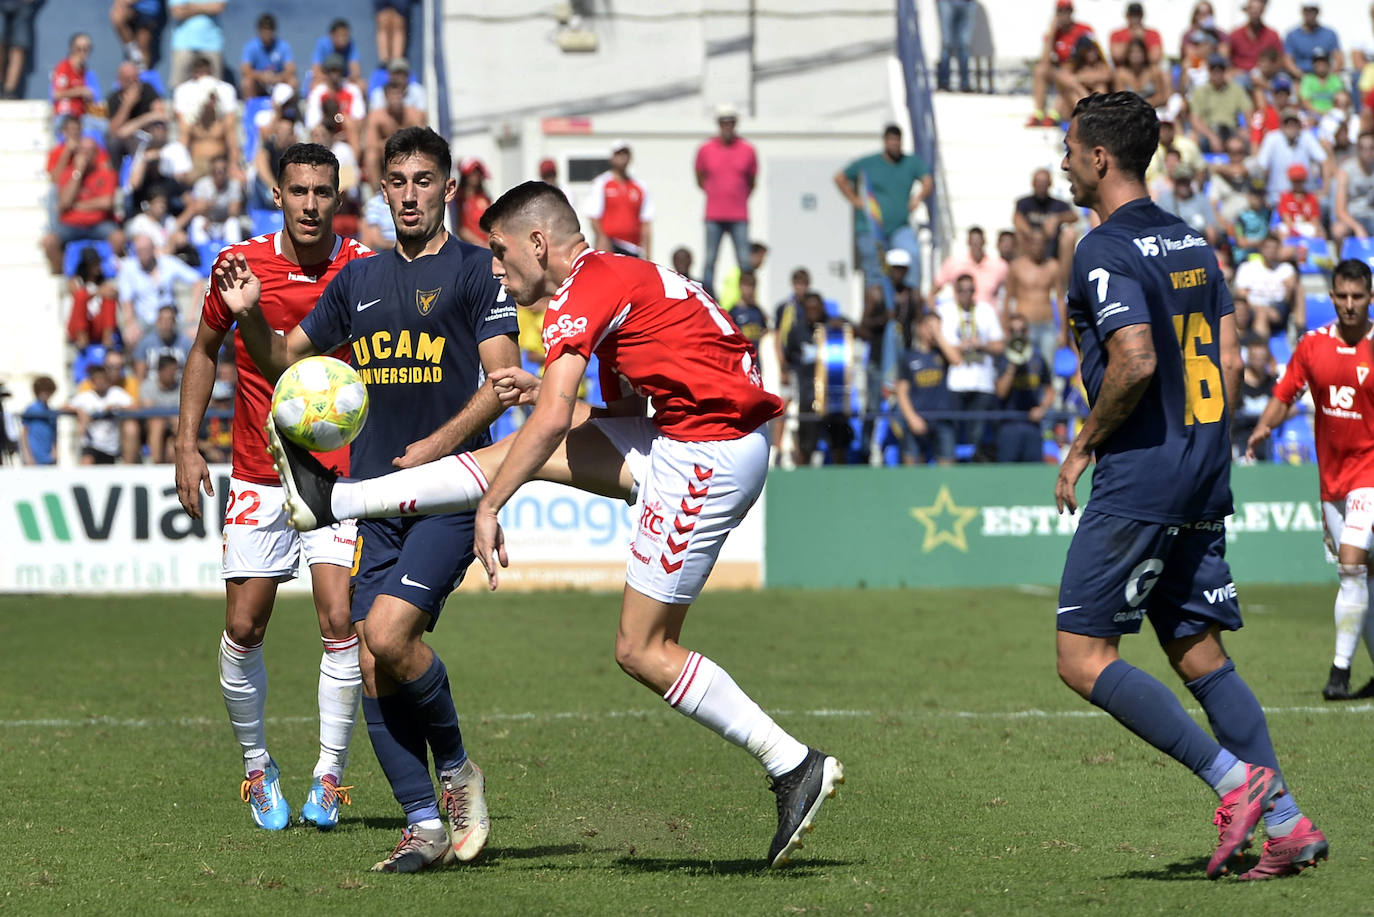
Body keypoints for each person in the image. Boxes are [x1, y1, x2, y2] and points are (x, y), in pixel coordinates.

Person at [263, 179, 846, 868]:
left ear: (541, 243)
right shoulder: (622, 270)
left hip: (708, 452)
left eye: (504, 256)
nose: (499, 273)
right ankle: (336, 500)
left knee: (643, 648)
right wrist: (547, 398)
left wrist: (490, 504)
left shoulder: (584, 287)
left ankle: (792, 762)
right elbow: (608, 404)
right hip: (685, 435)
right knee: (519, 447)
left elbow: (555, 419)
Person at [211, 127, 519, 872]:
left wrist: (440, 448)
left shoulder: (480, 273)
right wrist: (251, 311)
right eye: (399, 181)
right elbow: (284, 357)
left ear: (448, 189)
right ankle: (422, 821)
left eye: (424, 180)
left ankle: (456, 771)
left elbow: (505, 380)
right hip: (373, 503)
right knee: (370, 657)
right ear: (382, 191)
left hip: (445, 492)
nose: (410, 193)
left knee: (383, 634)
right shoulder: (359, 281)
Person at [1055, 89, 1327, 881]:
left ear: (1100, 158)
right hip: (1206, 467)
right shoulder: (1197, 243)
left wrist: (1081, 445)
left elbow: (1135, 358)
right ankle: (1288, 824)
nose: (1064, 162)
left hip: (1143, 475)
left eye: (1070, 149)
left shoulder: (1100, 248)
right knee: (1197, 649)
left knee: (1081, 655)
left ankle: (1237, 783)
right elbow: (1234, 363)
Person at [176, 142, 372, 832]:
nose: (311, 204)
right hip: (260, 472)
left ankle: (328, 777)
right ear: (279, 195)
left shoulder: (363, 270)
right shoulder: (240, 266)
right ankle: (258, 766)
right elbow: (204, 350)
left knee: (340, 621)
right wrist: (185, 443)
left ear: (339, 196)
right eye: (299, 191)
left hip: (342, 476)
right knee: (242, 626)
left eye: (323, 191)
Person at [1246, 259, 1374, 701]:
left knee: (1352, 563)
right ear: (1333, 297)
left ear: (1370, 298)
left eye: (1358, 296)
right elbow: (1285, 395)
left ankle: (1338, 673)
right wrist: (1264, 426)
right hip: (1331, 479)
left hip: (1369, 474)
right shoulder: (1312, 345)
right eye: (1342, 296)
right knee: (1359, 578)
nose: (1350, 304)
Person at [835, 124, 931, 290]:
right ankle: (878, 310)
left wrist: (918, 197)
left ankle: (910, 301)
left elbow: (928, 181)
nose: (894, 144)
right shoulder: (869, 163)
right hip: (871, 227)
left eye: (897, 140)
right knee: (875, 270)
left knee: (912, 255)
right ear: (885, 142)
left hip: (899, 226)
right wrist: (856, 200)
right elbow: (840, 178)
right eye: (891, 140)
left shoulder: (910, 162)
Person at [695, 103, 758, 297]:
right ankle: (707, 298)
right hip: (714, 214)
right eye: (724, 122)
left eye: (730, 122)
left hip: (739, 214)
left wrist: (737, 196)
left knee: (744, 262)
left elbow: (751, 181)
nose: (727, 126)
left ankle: (748, 300)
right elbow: (700, 177)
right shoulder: (706, 149)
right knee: (710, 260)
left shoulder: (747, 150)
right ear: (719, 124)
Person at [938, 272, 1002, 459]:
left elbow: (1000, 345)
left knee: (978, 435)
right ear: (955, 292)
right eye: (961, 290)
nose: (966, 294)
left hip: (982, 382)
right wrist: (961, 346)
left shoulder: (986, 310)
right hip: (956, 382)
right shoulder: (946, 311)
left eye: (970, 290)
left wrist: (981, 344)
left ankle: (974, 468)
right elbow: (941, 344)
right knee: (954, 432)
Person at [41, 137, 125, 276]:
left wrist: (78, 206)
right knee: (49, 242)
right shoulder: (67, 173)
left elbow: (107, 203)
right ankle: (62, 276)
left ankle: (109, 274)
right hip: (70, 225)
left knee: (119, 238)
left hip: (99, 224)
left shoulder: (107, 174)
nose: (85, 155)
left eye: (89, 151)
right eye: (82, 151)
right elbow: (64, 203)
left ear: (96, 154)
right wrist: (78, 172)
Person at [895, 311, 958, 465]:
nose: (933, 331)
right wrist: (912, 418)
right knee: (913, 468)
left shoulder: (942, 354)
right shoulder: (909, 357)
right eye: (930, 327)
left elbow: (957, 360)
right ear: (921, 327)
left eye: (938, 327)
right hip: (918, 418)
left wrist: (938, 335)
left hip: (942, 419)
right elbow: (902, 392)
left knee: (948, 469)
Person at [117, 233, 203, 345]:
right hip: (146, 320)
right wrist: (130, 323)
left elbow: (197, 280)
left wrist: (192, 313)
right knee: (130, 336)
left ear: (153, 249)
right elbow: (126, 300)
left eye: (145, 250)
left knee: (195, 334)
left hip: (171, 318)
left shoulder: (167, 262)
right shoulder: (129, 268)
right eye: (139, 251)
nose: (142, 254)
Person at [993, 313, 1054, 462]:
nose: (1018, 334)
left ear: (1027, 332)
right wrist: (1012, 364)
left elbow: (1049, 389)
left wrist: (1042, 408)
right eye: (1013, 331)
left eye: (1022, 330)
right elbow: (1000, 393)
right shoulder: (1001, 359)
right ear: (1008, 333)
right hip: (1008, 426)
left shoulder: (1038, 359)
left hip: (1032, 425)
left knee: (1033, 476)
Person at [1027, 0, 1095, 127]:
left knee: (1065, 74)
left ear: (1072, 12)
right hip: (1061, 71)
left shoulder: (1084, 29)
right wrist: (1052, 33)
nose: (1064, 14)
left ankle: (1054, 114)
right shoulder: (1055, 33)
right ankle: (1038, 113)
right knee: (1040, 70)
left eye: (1067, 11)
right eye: (1061, 11)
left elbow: (1092, 54)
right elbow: (1044, 60)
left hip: (1078, 70)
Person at [585, 139, 653, 258]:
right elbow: (593, 216)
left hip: (633, 247)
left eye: (625, 154)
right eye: (618, 154)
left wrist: (648, 255)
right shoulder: (602, 183)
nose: (622, 157)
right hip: (611, 245)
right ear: (612, 158)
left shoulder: (639, 186)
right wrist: (603, 239)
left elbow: (646, 222)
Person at [1005, 225, 1062, 363]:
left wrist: (1062, 331)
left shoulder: (1053, 266)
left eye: (1042, 243)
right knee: (1022, 366)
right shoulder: (1017, 266)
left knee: (1049, 369)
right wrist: (1006, 327)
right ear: (1028, 244)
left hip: (1047, 325)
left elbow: (1060, 299)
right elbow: (1008, 298)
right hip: (1023, 326)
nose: (1038, 247)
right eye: (1035, 243)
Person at [1233, 233, 1298, 337]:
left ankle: (1259, 345)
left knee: (1262, 312)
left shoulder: (1286, 269)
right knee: (1252, 311)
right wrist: (1255, 306)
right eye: (1268, 247)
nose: (1271, 251)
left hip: (1276, 306)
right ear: (1261, 249)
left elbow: (1287, 296)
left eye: (1274, 248)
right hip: (1251, 306)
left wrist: (1288, 286)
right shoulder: (1247, 267)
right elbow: (1241, 293)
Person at [105, 60, 166, 170]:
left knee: (159, 132)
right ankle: (116, 180)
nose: (133, 82)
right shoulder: (113, 99)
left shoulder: (147, 89)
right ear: (120, 80)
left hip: (148, 136)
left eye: (135, 78)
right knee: (113, 143)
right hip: (127, 142)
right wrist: (127, 105)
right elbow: (115, 132)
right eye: (128, 79)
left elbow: (160, 113)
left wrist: (133, 125)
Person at [70, 363, 133, 464]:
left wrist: (116, 406)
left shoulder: (116, 393)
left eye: (102, 379)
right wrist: (79, 410)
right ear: (92, 381)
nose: (100, 382)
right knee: (87, 461)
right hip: (91, 446)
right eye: (97, 379)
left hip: (110, 448)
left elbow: (135, 405)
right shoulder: (86, 397)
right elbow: (65, 406)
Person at [1190, 55, 1253, 154]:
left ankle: (1246, 166)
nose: (1217, 73)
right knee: (1193, 138)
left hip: (1231, 130)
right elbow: (1195, 120)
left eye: (1220, 69)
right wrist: (1211, 136)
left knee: (1248, 138)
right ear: (1209, 71)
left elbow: (1248, 111)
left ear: (1225, 71)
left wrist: (1247, 130)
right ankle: (1199, 167)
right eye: (1213, 69)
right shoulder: (1200, 91)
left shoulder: (1236, 90)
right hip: (1208, 131)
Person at [167, 0, 225, 88]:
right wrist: (206, 7)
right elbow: (177, 12)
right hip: (183, 44)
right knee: (179, 87)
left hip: (212, 44)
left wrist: (191, 7)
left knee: (215, 86)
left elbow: (218, 7)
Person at [1333, 131, 1374, 251]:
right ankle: (1341, 264)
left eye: (1371, 148)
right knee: (1338, 231)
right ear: (1358, 150)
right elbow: (1340, 210)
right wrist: (1357, 228)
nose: (1368, 152)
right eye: (1364, 148)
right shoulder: (1346, 171)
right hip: (1351, 216)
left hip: (1371, 215)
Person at [239, 12, 296, 98]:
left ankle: (288, 108)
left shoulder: (282, 45)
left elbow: (291, 69)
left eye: (269, 31)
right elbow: (245, 69)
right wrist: (261, 76)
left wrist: (278, 77)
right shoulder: (251, 46)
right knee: (246, 82)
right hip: (259, 81)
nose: (266, 35)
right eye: (264, 31)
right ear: (259, 31)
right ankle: (251, 108)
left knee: (293, 81)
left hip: (277, 80)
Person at [141, 353, 181, 463]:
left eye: (174, 370)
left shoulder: (181, 387)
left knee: (171, 447)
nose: (172, 373)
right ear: (160, 370)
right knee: (157, 423)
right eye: (169, 370)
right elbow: (149, 410)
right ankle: (155, 463)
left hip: (174, 429)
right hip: (149, 428)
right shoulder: (147, 386)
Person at [1285, 2, 1341, 76]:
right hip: (1300, 77)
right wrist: (1302, 77)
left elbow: (1339, 59)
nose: (1310, 13)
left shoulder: (1330, 34)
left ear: (1318, 12)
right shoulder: (1292, 35)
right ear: (1302, 12)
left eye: (1313, 10)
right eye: (1306, 10)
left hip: (1325, 76)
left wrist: (1327, 78)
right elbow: (1288, 61)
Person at [51, 32, 96, 124]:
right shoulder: (64, 67)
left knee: (104, 126)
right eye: (79, 49)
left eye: (86, 49)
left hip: (81, 116)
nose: (82, 53)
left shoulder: (86, 73)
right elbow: (56, 94)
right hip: (64, 116)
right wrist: (80, 91)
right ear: (72, 49)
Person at [109, 0, 163, 69]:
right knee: (117, 16)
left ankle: (143, 73)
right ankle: (133, 52)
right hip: (130, 9)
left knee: (143, 46)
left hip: (148, 10)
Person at [312, 18, 363, 88]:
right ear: (331, 35)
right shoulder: (322, 44)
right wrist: (331, 80)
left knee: (361, 84)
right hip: (326, 79)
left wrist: (344, 80)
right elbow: (316, 70)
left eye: (345, 36)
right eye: (339, 36)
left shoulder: (351, 45)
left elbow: (356, 71)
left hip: (344, 80)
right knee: (314, 84)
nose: (342, 39)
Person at [936, 0, 975, 93]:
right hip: (947, 2)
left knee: (964, 45)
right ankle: (943, 83)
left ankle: (965, 84)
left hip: (967, 3)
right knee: (947, 43)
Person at [19, 375, 58, 465]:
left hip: (48, 458)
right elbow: (24, 434)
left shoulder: (50, 411)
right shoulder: (32, 409)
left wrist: (55, 451)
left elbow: (53, 435)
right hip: (34, 457)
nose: (46, 394)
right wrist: (27, 455)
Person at [1108, 2, 1161, 68]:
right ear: (1126, 16)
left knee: (1156, 71)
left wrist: (1142, 40)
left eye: (1138, 15)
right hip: (1125, 71)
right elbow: (1117, 56)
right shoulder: (1116, 34)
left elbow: (1155, 58)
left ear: (1142, 16)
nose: (1135, 18)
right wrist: (1133, 37)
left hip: (1146, 70)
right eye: (1132, 15)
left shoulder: (1153, 34)